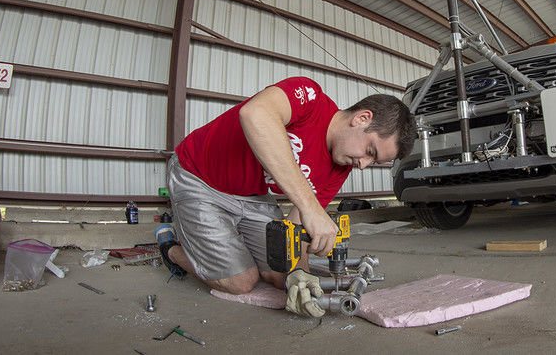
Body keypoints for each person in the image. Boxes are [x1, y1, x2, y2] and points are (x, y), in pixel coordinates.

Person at [155, 76, 415, 317]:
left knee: (283, 275)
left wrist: (300, 273)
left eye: (374, 161)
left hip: (251, 194)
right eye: (370, 151)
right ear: (361, 118)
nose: (363, 165)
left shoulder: (340, 167)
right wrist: (311, 208)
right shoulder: (310, 98)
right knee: (240, 282)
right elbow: (255, 114)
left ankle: (218, 242)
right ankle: (170, 248)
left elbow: (297, 225)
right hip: (199, 177)